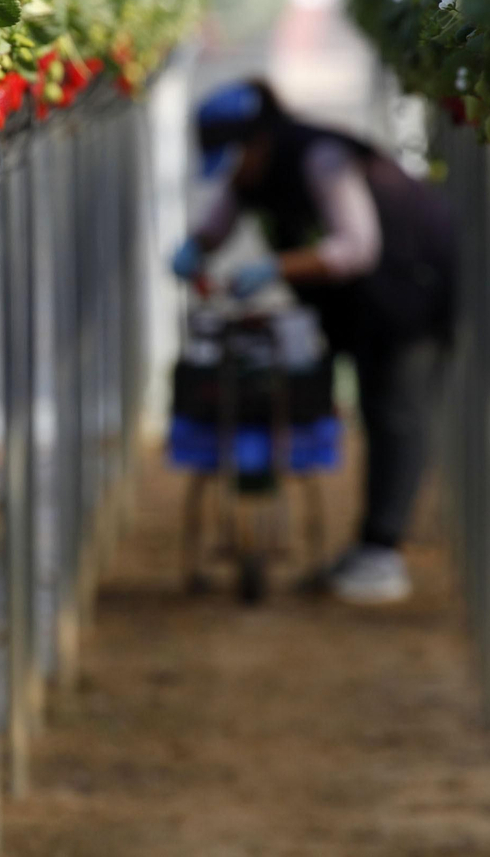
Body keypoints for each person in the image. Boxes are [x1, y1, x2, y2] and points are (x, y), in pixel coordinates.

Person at [171, 80, 456, 604]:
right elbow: (220, 219)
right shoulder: (251, 172)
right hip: (368, 302)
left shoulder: (321, 157)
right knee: (376, 407)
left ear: (257, 142)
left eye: (233, 159)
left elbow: (356, 246)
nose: (231, 174)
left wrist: (273, 268)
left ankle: (382, 553)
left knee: (396, 411)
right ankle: (369, 546)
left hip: (413, 287)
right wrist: (194, 250)